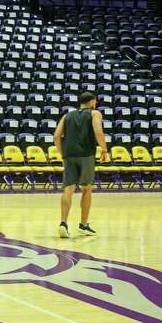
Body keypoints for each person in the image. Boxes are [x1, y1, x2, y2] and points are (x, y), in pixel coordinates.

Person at [54, 91, 109, 239]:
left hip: (69, 156)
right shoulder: (94, 113)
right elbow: (98, 132)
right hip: (86, 155)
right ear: (92, 102)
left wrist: (62, 154)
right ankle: (83, 225)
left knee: (68, 189)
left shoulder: (67, 115)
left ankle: (63, 223)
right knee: (87, 189)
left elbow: (56, 136)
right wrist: (104, 149)